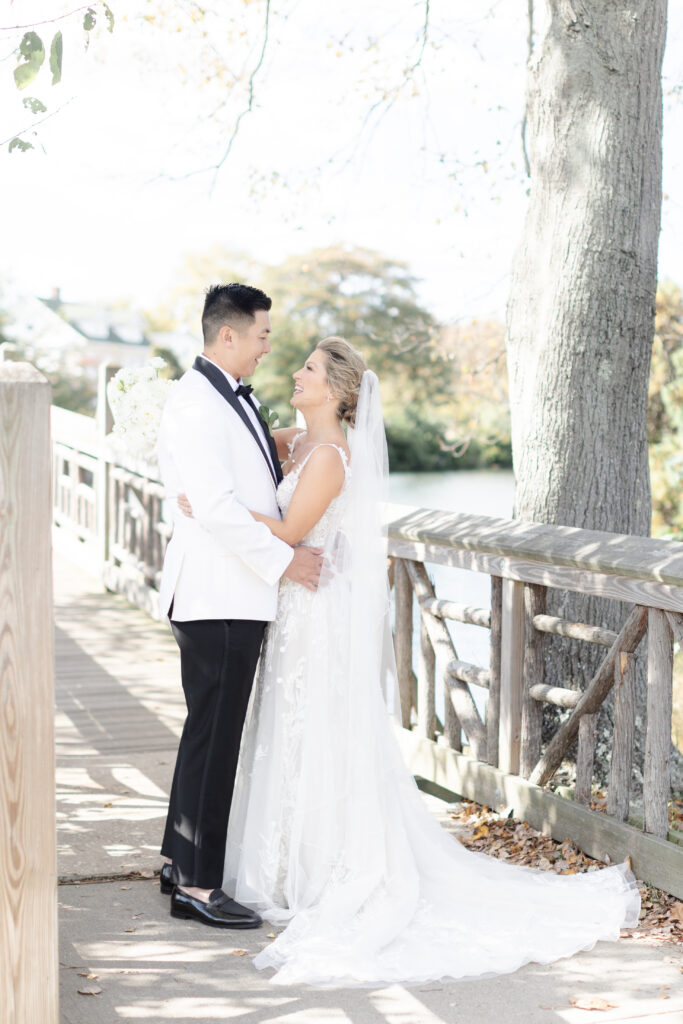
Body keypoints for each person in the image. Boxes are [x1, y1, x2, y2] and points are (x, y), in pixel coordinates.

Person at [181, 336, 641, 987]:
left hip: (316, 614)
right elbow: (247, 443)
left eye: (307, 369)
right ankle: (280, 860)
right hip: (292, 608)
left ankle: (325, 863)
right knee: (286, 728)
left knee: (318, 727)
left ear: (337, 391)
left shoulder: (331, 459)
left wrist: (211, 509)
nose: (295, 373)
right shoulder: (296, 441)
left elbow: (285, 534)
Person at [156, 283, 323, 930]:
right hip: (219, 594)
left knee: (205, 732)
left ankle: (178, 862)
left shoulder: (221, 398)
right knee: (217, 739)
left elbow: (237, 478)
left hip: (222, 591)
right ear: (227, 335)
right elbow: (218, 508)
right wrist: (287, 561)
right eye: (261, 335)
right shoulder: (198, 403)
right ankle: (199, 885)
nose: (266, 347)